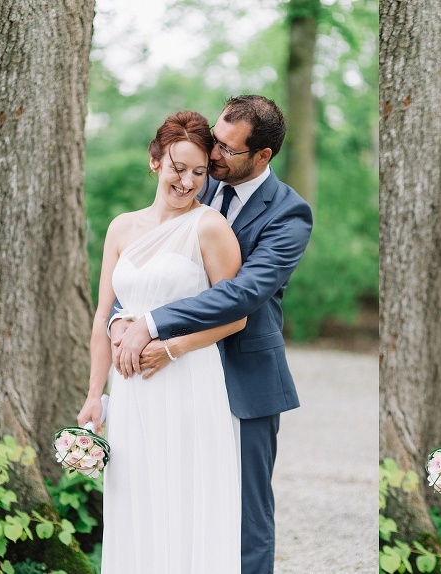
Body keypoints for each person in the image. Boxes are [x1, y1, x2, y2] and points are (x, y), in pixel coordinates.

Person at [109, 95, 313, 574]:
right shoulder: (195, 185)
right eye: (215, 141)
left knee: (245, 521)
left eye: (227, 149)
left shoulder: (289, 214)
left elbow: (244, 294)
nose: (213, 155)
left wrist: (154, 323)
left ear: (262, 156)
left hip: (244, 378)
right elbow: (150, 266)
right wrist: (123, 317)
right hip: (171, 385)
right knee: (171, 505)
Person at [77, 110, 246, 573]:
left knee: (186, 495)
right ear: (155, 160)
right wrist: (96, 395)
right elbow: (103, 315)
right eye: (178, 167)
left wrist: (172, 348)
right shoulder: (120, 227)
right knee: (136, 494)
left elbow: (235, 318)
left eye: (198, 171)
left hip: (188, 379)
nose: (188, 181)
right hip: (130, 389)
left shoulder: (209, 228)